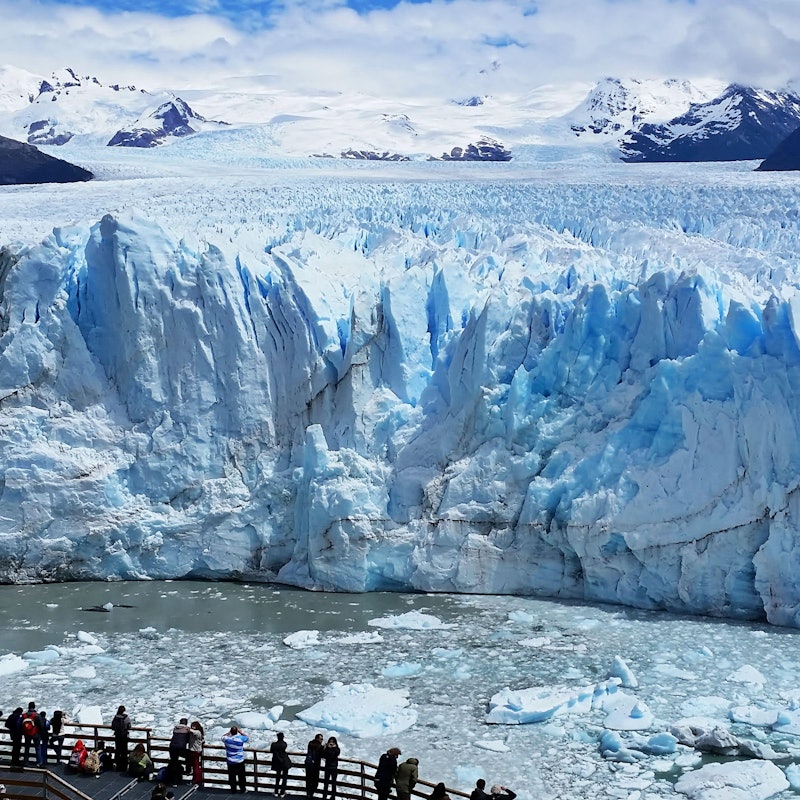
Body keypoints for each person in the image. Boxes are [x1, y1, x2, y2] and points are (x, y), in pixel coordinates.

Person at [221, 725, 249, 794]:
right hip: (239, 761)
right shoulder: (240, 739)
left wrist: (228, 733)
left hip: (230, 761)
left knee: (232, 776)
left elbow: (222, 737)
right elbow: (247, 738)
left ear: (231, 732)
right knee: (241, 776)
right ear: (237, 732)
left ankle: (233, 790)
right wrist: (241, 732)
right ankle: (243, 789)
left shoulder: (227, 739)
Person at [270, 731, 291, 797]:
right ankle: (282, 792)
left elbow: (271, 750)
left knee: (278, 777)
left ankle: (276, 791)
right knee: (284, 777)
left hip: (277, 762)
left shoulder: (273, 744)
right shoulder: (284, 744)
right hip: (284, 762)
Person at [111, 705, 132, 771]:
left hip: (117, 736)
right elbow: (129, 726)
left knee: (118, 750)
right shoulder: (126, 717)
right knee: (124, 751)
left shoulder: (115, 717)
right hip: (124, 736)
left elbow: (113, 727)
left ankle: (118, 765)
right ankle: (124, 766)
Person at [304, 733, 324, 798]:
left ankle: (308, 794)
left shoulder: (310, 743)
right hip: (315, 765)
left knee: (309, 780)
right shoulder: (319, 746)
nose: (321, 740)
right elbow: (322, 753)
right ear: (317, 738)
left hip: (308, 764)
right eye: (321, 739)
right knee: (315, 781)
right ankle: (311, 794)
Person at [321, 736, 340, 800]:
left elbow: (336, 753)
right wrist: (326, 747)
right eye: (330, 742)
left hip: (334, 768)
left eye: (333, 742)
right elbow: (323, 754)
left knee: (333, 783)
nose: (331, 743)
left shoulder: (336, 748)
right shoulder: (327, 748)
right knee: (326, 783)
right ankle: (324, 796)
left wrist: (332, 748)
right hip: (328, 767)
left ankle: (333, 796)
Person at [187, 721, 204, 786]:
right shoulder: (199, 733)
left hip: (194, 751)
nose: (192, 727)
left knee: (195, 766)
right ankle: (198, 779)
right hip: (197, 750)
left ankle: (196, 779)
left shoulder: (197, 732)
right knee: (196, 766)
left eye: (194, 726)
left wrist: (184, 727)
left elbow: (191, 731)